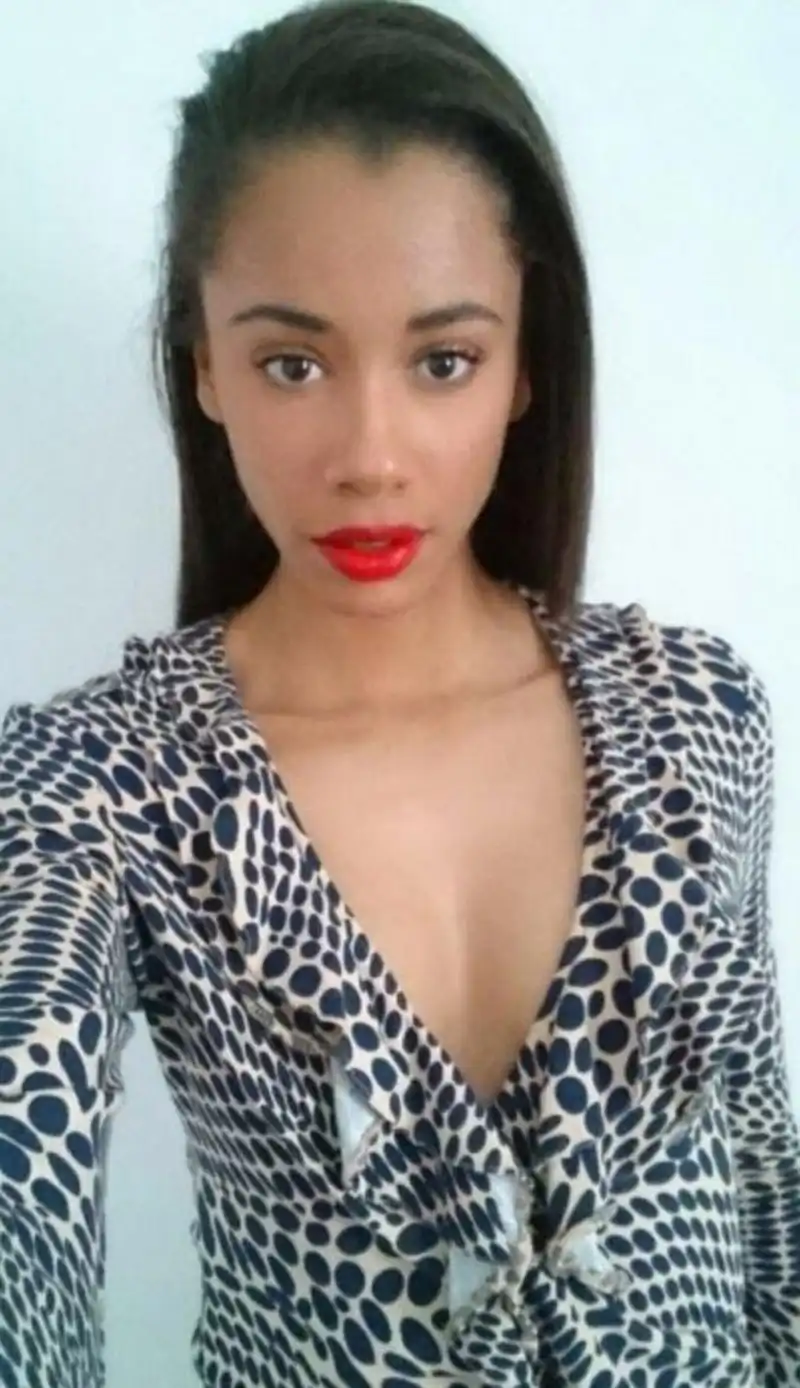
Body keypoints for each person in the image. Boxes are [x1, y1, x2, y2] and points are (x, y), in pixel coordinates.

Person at [1, 0, 797, 1383]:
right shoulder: (101, 787)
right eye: (293, 362)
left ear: (525, 364)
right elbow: (26, 1170)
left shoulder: (697, 719)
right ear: (204, 365)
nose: (371, 455)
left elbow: (766, 1173)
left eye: (443, 360)